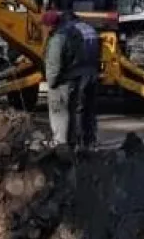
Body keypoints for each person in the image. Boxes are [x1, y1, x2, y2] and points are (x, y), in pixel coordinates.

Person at [42, 8, 100, 151]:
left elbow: (55, 63)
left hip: (73, 76)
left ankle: (67, 144)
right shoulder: (89, 28)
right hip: (92, 72)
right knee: (89, 109)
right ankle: (89, 142)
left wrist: (52, 82)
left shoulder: (62, 34)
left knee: (70, 109)